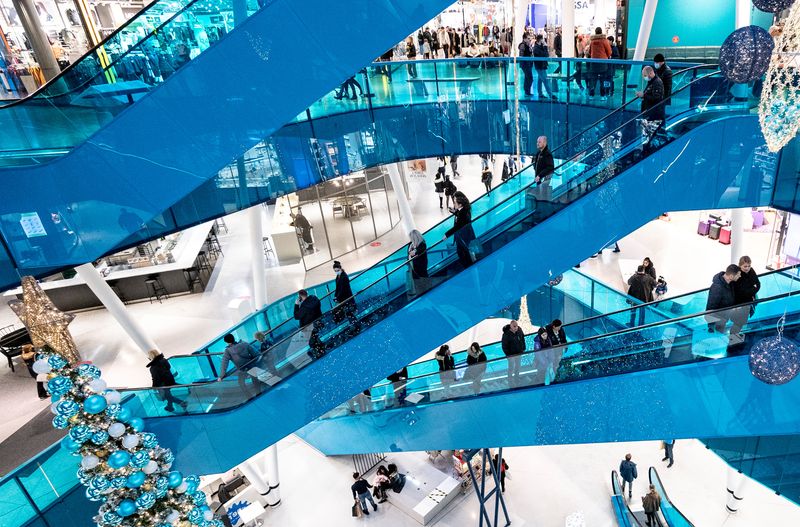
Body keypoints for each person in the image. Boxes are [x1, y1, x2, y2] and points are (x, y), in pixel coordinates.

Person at [706, 264, 741, 333]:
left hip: (724, 318)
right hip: (718, 321)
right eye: (738, 275)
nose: (740, 276)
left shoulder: (730, 282)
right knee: (719, 336)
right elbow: (711, 307)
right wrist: (712, 324)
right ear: (731, 276)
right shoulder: (717, 288)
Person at [443, 195, 476, 268]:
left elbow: (457, 226)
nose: (454, 204)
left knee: (463, 253)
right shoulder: (463, 210)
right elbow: (461, 219)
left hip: (464, 237)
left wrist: (447, 234)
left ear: (460, 204)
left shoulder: (462, 213)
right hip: (464, 236)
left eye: (455, 203)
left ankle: (468, 267)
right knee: (462, 252)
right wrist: (454, 212)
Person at [293, 289, 323, 358]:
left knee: (312, 342)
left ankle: (319, 353)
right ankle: (321, 349)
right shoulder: (314, 298)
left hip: (308, 328)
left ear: (300, 297)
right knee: (316, 338)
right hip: (317, 323)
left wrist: (296, 305)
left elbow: (296, 316)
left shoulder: (304, 307)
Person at [588, 27, 612, 99]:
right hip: (603, 63)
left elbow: (589, 52)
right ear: (601, 32)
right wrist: (606, 56)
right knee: (603, 79)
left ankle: (591, 95)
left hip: (594, 63)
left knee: (593, 79)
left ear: (595, 32)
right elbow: (609, 52)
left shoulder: (592, 41)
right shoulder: (604, 41)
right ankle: (603, 95)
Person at [502, 320, 526, 387]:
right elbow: (504, 346)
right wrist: (508, 355)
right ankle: (510, 382)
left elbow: (522, 338)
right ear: (511, 326)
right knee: (511, 368)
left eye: (517, 326)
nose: (516, 327)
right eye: (514, 326)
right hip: (511, 355)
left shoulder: (519, 330)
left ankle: (516, 380)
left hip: (519, 352)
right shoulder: (506, 334)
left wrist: (523, 348)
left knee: (518, 367)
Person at [533, 34, 555, 99]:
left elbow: (547, 54)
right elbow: (544, 55)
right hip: (539, 66)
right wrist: (545, 47)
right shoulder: (536, 48)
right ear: (540, 40)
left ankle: (540, 94)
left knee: (540, 80)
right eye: (542, 39)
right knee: (545, 80)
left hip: (543, 66)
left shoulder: (541, 46)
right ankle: (551, 94)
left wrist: (545, 47)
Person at [408, 229, 430, 295]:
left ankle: (426, 291)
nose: (410, 240)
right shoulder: (410, 244)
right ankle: (419, 292)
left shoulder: (422, 244)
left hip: (421, 266)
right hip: (414, 266)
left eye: (411, 238)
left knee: (423, 279)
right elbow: (409, 253)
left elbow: (420, 250)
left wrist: (414, 252)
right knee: (416, 280)